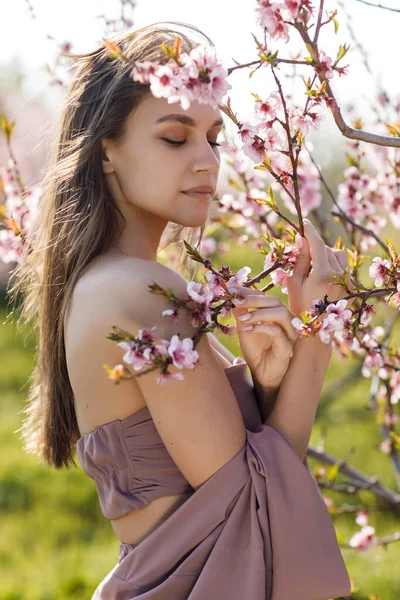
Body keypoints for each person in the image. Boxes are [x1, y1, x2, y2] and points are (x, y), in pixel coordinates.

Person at [9, 20, 352, 600]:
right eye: (175, 138)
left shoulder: (111, 283)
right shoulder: (139, 292)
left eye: (214, 138)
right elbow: (255, 505)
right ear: (106, 152)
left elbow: (240, 482)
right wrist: (319, 329)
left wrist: (268, 389)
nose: (206, 162)